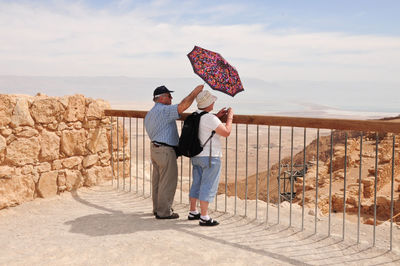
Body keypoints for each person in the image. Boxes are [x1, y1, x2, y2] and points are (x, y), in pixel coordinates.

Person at [145, 84, 203, 219]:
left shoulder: (150, 114)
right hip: (165, 151)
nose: (171, 98)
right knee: (167, 182)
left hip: (155, 149)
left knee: (158, 182)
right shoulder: (164, 111)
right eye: (169, 96)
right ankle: (164, 212)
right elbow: (183, 106)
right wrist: (194, 93)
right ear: (162, 98)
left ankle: (157, 209)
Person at [188, 90, 233, 226]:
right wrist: (229, 118)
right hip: (210, 157)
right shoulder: (210, 118)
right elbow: (226, 132)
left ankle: (192, 211)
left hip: (196, 155)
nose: (214, 102)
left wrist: (216, 116)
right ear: (209, 103)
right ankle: (204, 216)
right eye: (212, 101)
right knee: (208, 185)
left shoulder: (195, 115)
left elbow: (205, 125)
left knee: (196, 183)